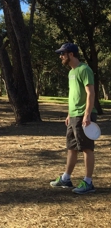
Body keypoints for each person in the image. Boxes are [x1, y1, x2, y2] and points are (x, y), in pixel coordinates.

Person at [50, 43, 97, 194]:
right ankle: (66, 178)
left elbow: (90, 93)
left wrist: (87, 114)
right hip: (74, 115)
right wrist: (69, 114)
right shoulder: (71, 72)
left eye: (63, 53)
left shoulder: (84, 70)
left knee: (86, 148)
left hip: (84, 115)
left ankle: (88, 182)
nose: (61, 56)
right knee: (71, 147)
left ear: (71, 54)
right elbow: (74, 95)